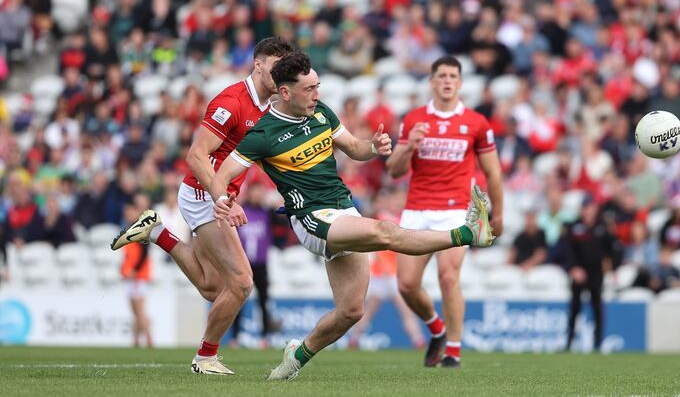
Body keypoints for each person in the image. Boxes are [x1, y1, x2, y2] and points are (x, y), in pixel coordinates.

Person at [209, 52, 494, 381]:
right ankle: (467, 233)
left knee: (351, 310)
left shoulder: (322, 113)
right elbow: (222, 172)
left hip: (343, 209)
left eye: (318, 86)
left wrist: (373, 146)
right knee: (384, 232)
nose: (317, 94)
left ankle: (294, 358)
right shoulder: (263, 134)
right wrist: (222, 199)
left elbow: (354, 148)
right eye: (309, 89)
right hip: (312, 218)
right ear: (285, 92)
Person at [110, 37, 294, 375]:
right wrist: (222, 198)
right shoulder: (232, 101)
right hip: (204, 195)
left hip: (216, 196)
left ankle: (156, 232)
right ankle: (205, 357)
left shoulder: (269, 107)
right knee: (241, 283)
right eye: (275, 66)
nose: (281, 74)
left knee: (213, 286)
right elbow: (195, 156)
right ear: (257, 64)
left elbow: (259, 156)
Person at [385, 55, 504, 368]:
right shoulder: (413, 119)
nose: (448, 81)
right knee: (406, 285)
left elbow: (493, 172)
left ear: (461, 82)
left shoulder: (476, 122)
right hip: (417, 209)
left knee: (448, 276)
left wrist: (499, 214)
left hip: (455, 211)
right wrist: (409, 146)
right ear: (432, 81)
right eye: (442, 75)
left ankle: (453, 350)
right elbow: (394, 171)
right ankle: (436, 329)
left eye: (453, 75)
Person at [348, 188, 425, 350]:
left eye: (400, 199)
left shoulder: (401, 219)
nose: (397, 202)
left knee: (402, 310)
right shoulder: (383, 218)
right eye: (395, 199)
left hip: (394, 274)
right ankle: (354, 340)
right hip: (383, 274)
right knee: (369, 311)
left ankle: (418, 341)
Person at [561, 196, 617, 352]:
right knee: (574, 308)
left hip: (596, 273)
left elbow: (611, 249)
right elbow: (567, 250)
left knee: (597, 307)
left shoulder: (602, 227)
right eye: (585, 208)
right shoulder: (574, 227)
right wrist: (573, 268)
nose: (588, 211)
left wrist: (612, 267)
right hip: (579, 272)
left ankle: (598, 344)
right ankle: (569, 343)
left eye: (590, 207)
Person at [229, 181, 280, 348]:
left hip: (260, 264)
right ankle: (235, 337)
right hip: (242, 263)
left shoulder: (267, 213)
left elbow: (282, 228)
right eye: (255, 191)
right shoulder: (240, 211)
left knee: (263, 301)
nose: (258, 195)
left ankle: (265, 337)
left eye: (261, 192)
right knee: (238, 300)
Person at [121, 194, 153, 348]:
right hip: (132, 275)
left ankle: (149, 340)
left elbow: (145, 251)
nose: (127, 214)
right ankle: (136, 341)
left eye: (129, 211)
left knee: (139, 310)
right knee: (135, 311)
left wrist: (134, 269)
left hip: (139, 275)